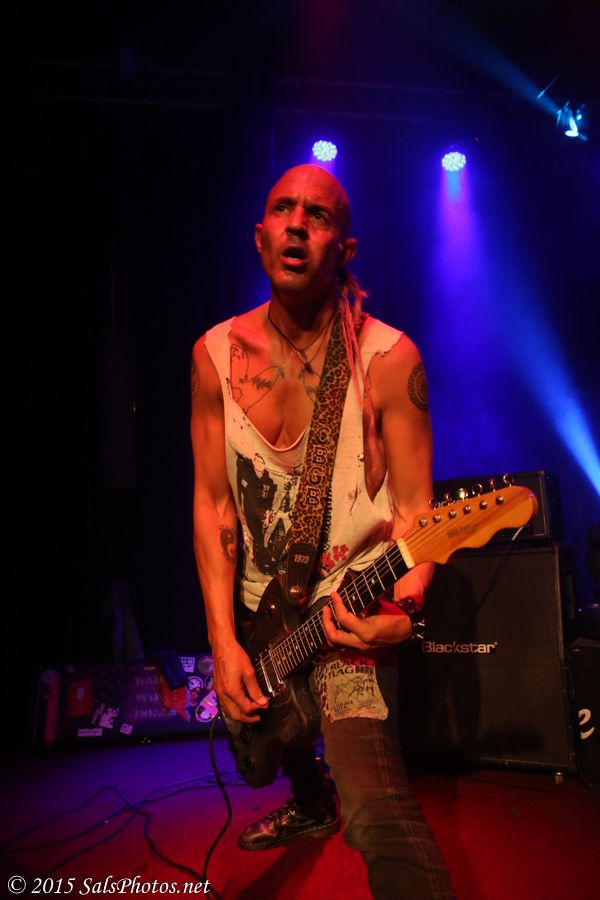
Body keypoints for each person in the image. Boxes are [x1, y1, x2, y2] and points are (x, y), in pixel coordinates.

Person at [191, 164, 454, 898]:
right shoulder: (213, 357)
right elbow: (213, 504)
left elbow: (418, 514)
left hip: (349, 614)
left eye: (319, 215)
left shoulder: (388, 360)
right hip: (262, 615)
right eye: (283, 209)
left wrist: (404, 612)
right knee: (265, 747)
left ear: (345, 248)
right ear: (260, 236)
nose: (298, 225)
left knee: (376, 811)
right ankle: (309, 802)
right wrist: (222, 644)